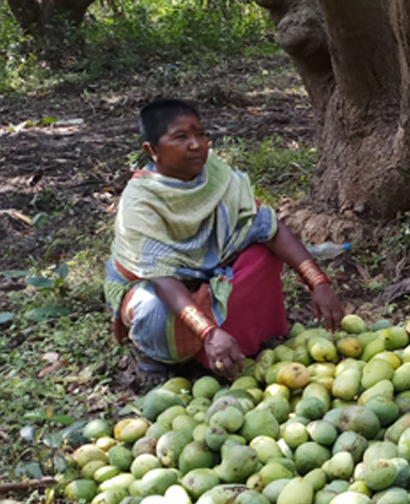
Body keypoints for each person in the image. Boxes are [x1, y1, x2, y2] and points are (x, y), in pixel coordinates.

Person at [104, 98, 343, 384]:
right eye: (180, 137)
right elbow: (162, 278)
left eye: (200, 134)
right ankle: (156, 356)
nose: (196, 144)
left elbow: (268, 226)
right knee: (152, 309)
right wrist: (208, 332)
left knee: (262, 257)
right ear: (152, 150)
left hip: (212, 275)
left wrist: (318, 282)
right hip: (161, 288)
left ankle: (232, 346)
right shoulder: (140, 202)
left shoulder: (217, 178)